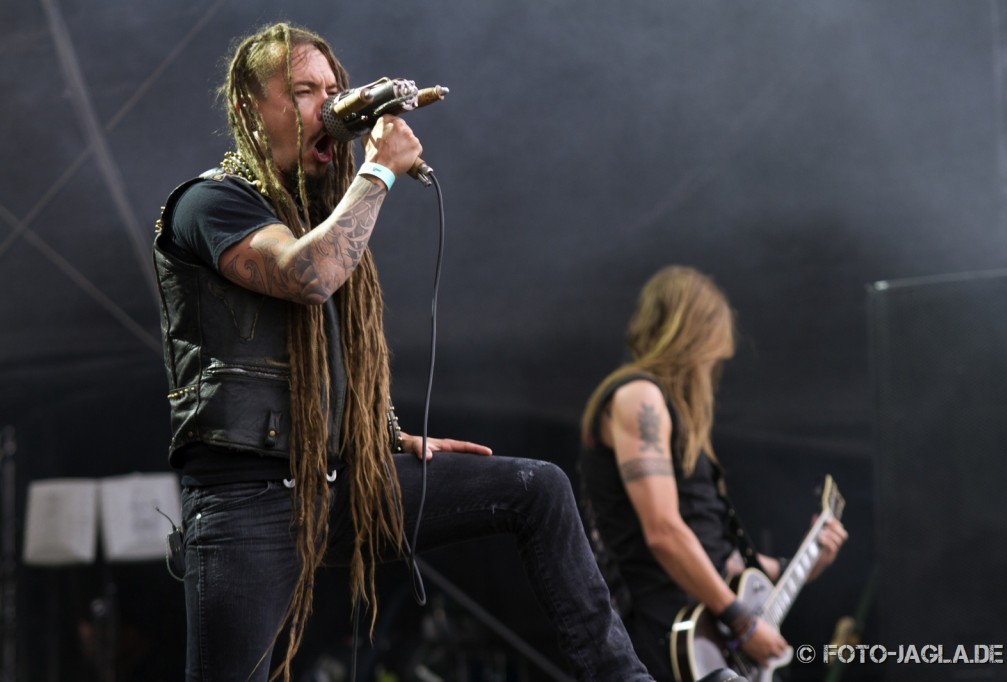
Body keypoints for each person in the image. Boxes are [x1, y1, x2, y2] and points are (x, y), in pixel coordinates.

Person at [152, 21, 652, 682]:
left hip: (334, 483)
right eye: (304, 92)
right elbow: (308, 275)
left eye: (334, 89)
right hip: (247, 501)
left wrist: (382, 438)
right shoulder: (208, 203)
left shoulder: (312, 215)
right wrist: (380, 169)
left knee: (538, 490)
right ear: (250, 108)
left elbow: (330, 351)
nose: (328, 107)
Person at [577, 265, 848, 681]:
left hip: (706, 627)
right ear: (694, 335)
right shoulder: (639, 397)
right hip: (666, 628)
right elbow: (664, 532)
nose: (714, 368)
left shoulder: (675, 414)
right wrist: (741, 621)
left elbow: (717, 549)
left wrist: (805, 560)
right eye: (712, 352)